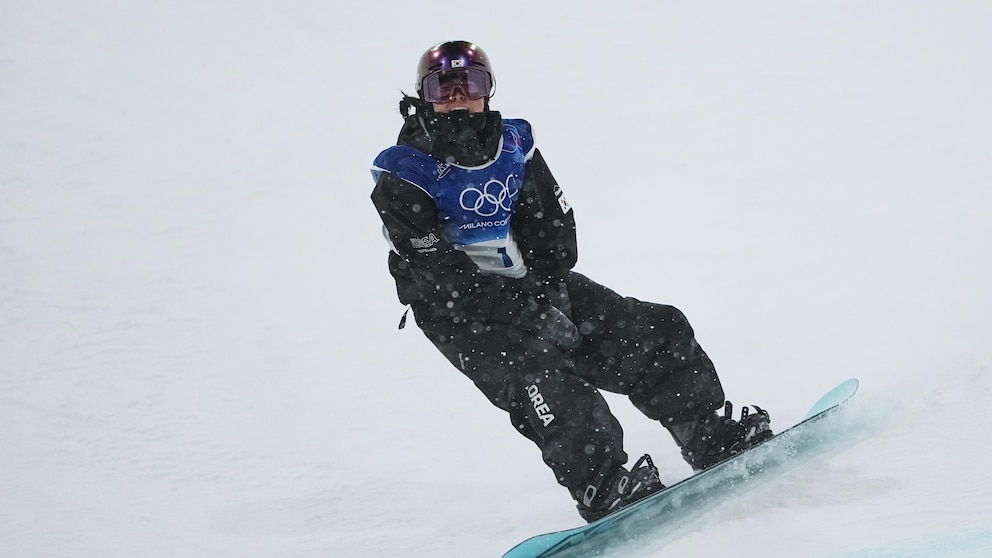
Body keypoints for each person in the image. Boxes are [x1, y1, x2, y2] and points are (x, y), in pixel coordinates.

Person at [370, 40, 773, 523]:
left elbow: (552, 227)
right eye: (444, 88)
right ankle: (601, 485)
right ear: (423, 97)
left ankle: (702, 430)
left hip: (528, 283)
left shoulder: (512, 145)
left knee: (653, 329)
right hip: (460, 313)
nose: (459, 97)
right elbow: (440, 275)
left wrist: (547, 288)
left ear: (488, 90)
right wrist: (526, 313)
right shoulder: (404, 173)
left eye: (470, 84)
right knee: (544, 381)